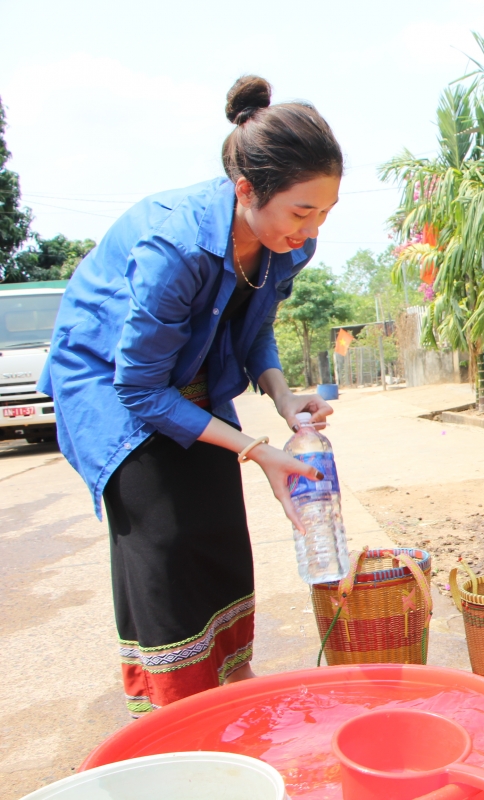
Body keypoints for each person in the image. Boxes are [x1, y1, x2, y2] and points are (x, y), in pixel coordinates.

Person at [40, 76, 342, 716]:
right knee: (167, 536)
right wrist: (257, 449)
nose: (312, 230)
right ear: (245, 190)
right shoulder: (174, 247)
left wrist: (284, 402)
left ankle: (227, 696)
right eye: (300, 211)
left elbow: (254, 327)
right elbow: (140, 388)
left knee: (219, 531)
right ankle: (172, 716)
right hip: (113, 386)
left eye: (324, 213)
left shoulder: (290, 241)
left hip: (193, 373)